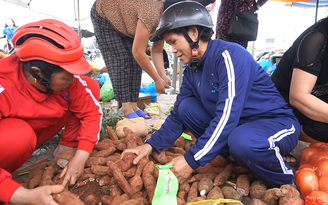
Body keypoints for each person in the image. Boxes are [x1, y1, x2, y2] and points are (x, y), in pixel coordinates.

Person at [122, 1, 301, 188]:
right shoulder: (192, 69)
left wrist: (191, 160)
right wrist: (151, 145)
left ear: (193, 33)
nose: (172, 51)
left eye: (173, 42)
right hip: (239, 128)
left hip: (274, 124)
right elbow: (177, 115)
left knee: (242, 140)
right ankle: (234, 157)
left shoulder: (229, 56)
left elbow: (227, 115)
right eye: (169, 45)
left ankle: (286, 181)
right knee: (185, 108)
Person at [0, 19, 102, 205]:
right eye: (67, 77)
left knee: (90, 87)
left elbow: (91, 113)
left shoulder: (66, 79)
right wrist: (23, 195)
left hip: (42, 129)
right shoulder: (3, 86)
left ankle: (65, 149)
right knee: (19, 136)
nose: (72, 80)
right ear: (38, 73)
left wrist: (81, 155)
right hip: (12, 138)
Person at [90, 0, 214, 119]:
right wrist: (156, 79)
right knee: (120, 60)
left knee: (135, 63)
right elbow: (138, 52)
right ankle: (126, 109)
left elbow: (156, 51)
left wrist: (162, 75)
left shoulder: (166, 22)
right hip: (104, 16)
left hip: (125, 24)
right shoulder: (152, 13)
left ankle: (134, 105)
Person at [271, 17, 328, 164]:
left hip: (317, 97)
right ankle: (284, 136)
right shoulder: (316, 39)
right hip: (283, 102)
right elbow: (298, 97)